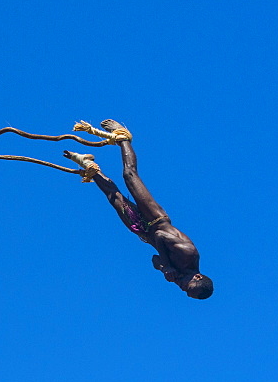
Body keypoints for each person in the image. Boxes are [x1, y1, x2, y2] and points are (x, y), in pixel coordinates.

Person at [64, 120, 214, 300]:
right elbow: (160, 236)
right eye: (188, 287)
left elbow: (154, 259)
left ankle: (89, 166)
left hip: (144, 231)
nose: (182, 287)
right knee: (129, 175)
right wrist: (167, 265)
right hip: (156, 219)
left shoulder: (179, 276)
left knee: (114, 197)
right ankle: (123, 138)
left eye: (184, 291)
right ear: (198, 277)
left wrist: (163, 270)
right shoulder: (189, 254)